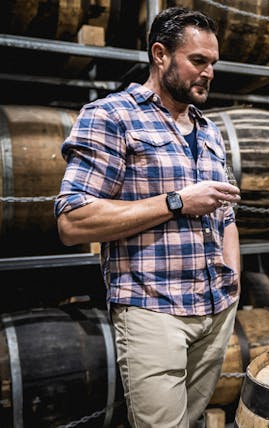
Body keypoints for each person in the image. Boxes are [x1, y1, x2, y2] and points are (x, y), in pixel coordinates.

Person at [54, 7, 241, 427]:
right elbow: (72, 221)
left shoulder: (208, 130)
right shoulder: (111, 116)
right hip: (152, 312)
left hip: (216, 308)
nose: (209, 73)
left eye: (213, 63)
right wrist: (175, 201)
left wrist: (235, 277)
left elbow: (225, 215)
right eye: (198, 61)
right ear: (160, 54)